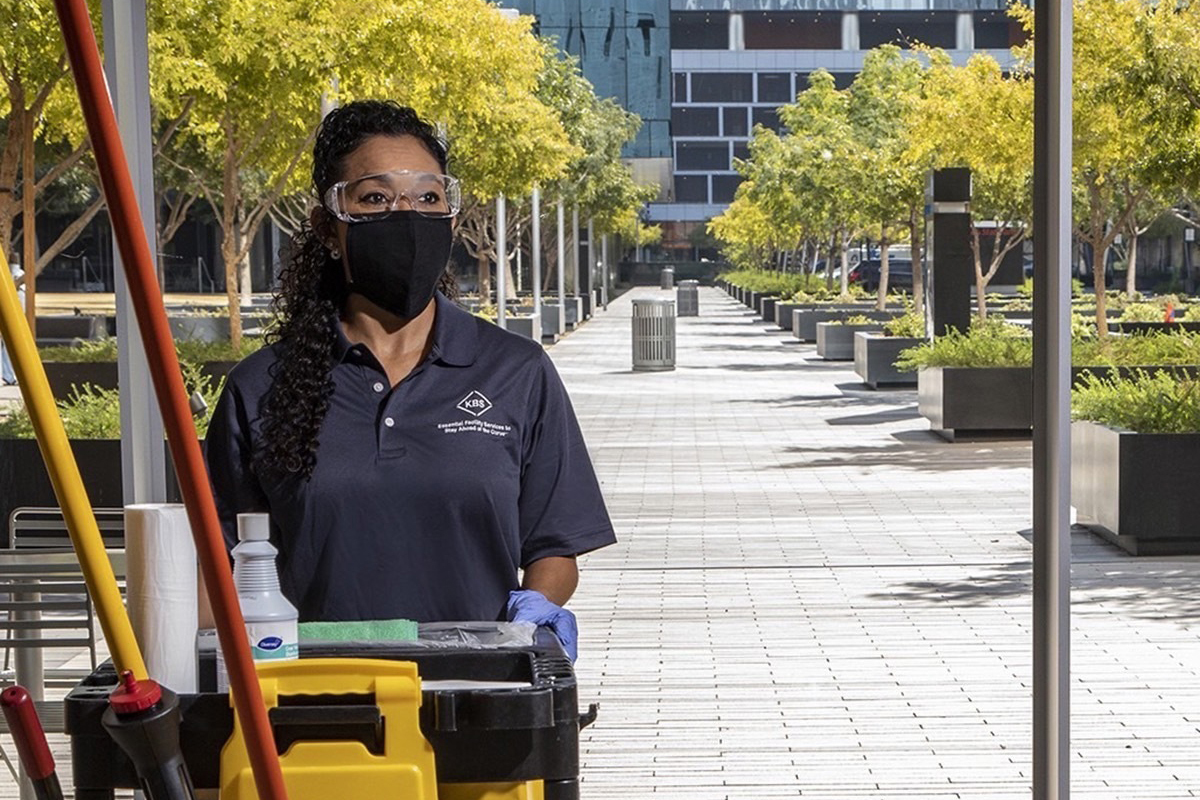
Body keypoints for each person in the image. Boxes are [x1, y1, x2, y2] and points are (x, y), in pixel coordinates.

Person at [204, 100, 615, 660]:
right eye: (375, 198)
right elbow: (219, 561)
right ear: (328, 228)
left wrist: (535, 611)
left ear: (450, 217)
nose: (407, 215)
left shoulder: (516, 370)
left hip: (476, 686)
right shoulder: (260, 388)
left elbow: (553, 543)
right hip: (318, 691)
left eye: (428, 198)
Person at [0, 263, 24, 386]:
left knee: (7, 345)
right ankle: (9, 375)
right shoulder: (18, 275)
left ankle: (9, 375)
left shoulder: (18, 275)